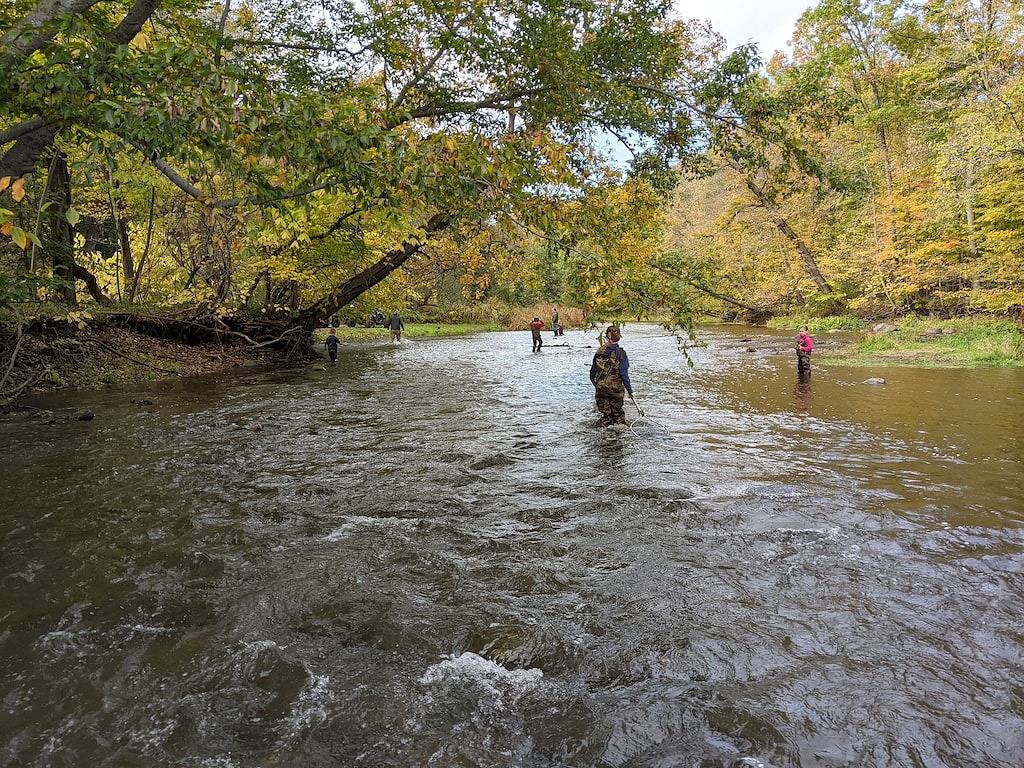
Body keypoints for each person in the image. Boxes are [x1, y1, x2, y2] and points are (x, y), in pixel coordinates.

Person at [589, 325, 633, 426]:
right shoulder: (621, 353)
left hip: (601, 388)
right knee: (618, 416)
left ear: (606, 337)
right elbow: (623, 374)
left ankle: (606, 428)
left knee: (606, 416)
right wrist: (629, 390)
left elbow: (592, 373)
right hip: (615, 389)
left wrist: (597, 385)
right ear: (619, 337)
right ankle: (618, 436)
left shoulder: (598, 352)